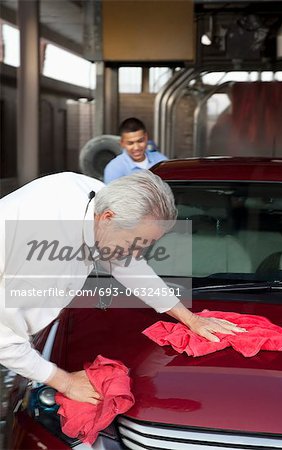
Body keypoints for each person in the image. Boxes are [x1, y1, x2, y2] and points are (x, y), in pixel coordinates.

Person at [0, 170, 245, 405]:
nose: (137, 253)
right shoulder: (44, 254)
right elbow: (5, 340)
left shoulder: (97, 198)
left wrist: (189, 318)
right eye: (134, 243)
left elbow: (127, 263)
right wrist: (66, 383)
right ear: (108, 218)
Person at [103, 117, 167, 184]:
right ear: (122, 143)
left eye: (140, 141)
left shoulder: (161, 161)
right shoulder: (114, 169)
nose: (136, 148)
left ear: (146, 138)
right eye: (130, 143)